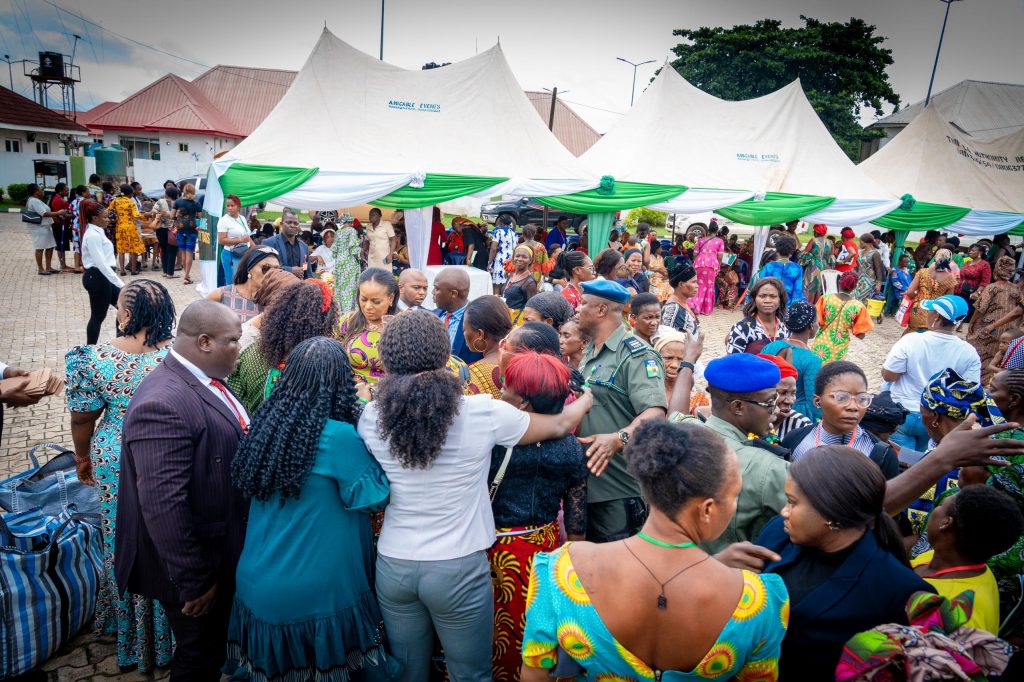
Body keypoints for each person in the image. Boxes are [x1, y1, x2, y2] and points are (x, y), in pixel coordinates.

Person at [356, 311, 592, 682]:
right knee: (471, 674)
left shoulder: (371, 416)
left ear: (389, 357)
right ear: (444, 353)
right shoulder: (481, 412)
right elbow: (560, 424)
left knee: (407, 673)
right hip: (459, 566)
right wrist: (587, 397)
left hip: (394, 564)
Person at [520, 419, 789, 681]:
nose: (733, 507)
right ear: (707, 509)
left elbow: (536, 673)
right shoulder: (759, 601)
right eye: (734, 496)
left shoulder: (561, 570)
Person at [227, 337, 397, 680]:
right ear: (342, 385)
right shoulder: (338, 437)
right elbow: (374, 496)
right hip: (321, 594)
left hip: (258, 584)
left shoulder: (266, 427)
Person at [115, 301, 249, 681]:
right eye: (234, 341)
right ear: (204, 342)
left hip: (216, 550)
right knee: (198, 656)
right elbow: (162, 505)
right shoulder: (163, 403)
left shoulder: (203, 379)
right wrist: (195, 581)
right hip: (193, 566)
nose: (239, 349)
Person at [749, 446, 934, 679]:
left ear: (831, 515)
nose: (784, 512)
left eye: (793, 502)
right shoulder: (779, 532)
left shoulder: (900, 592)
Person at [66, 280, 175, 671]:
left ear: (125, 314)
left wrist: (81, 457)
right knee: (168, 536)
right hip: (168, 454)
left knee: (121, 537)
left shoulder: (94, 359)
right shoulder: (181, 354)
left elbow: (83, 417)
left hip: (117, 456)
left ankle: (132, 631)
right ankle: (171, 630)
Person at [488, 351, 589, 679]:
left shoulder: (494, 443)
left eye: (507, 389)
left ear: (524, 405)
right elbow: (576, 520)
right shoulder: (571, 449)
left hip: (495, 552)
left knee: (492, 631)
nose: (501, 392)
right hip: (544, 554)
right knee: (537, 629)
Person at [669, 353, 790, 552]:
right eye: (769, 402)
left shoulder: (682, 431)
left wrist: (688, 358)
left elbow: (674, 413)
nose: (774, 410)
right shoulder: (770, 470)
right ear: (738, 407)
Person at [576, 280, 667, 542]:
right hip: (588, 485)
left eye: (583, 304)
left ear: (602, 310)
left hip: (618, 489)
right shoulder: (592, 351)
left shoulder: (636, 355)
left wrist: (618, 439)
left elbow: (655, 413)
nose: (577, 309)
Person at [911, 486, 1024, 634]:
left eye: (941, 506)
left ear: (946, 523)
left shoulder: (960, 616)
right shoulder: (937, 557)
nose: (936, 509)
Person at [883, 294, 982, 451]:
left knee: (900, 460)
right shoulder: (969, 352)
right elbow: (969, 390)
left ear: (936, 316)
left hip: (903, 413)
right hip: (936, 420)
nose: (927, 314)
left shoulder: (911, 340)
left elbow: (889, 375)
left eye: (930, 311)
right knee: (922, 460)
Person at [228, 280, 339, 413]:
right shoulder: (324, 363)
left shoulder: (248, 354)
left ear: (277, 313)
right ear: (323, 324)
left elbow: (233, 403)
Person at [782, 361, 900, 478]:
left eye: (862, 398)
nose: (853, 407)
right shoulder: (795, 440)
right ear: (817, 401)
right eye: (842, 397)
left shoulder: (880, 454)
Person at [335, 268, 398, 386]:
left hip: (389, 395)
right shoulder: (348, 321)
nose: (368, 306)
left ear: (391, 298)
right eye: (363, 299)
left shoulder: (403, 326)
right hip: (351, 393)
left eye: (376, 301)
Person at [763, 301, 822, 421]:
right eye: (817, 321)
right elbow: (813, 399)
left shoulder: (771, 346)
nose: (818, 325)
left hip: (767, 409)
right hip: (795, 414)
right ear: (811, 326)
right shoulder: (812, 360)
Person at [78, 200, 125, 344]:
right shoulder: (92, 235)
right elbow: (101, 264)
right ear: (94, 218)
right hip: (98, 277)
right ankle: (90, 350)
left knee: (125, 308)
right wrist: (121, 284)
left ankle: (121, 342)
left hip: (103, 276)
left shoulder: (98, 232)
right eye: (105, 217)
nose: (108, 220)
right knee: (98, 317)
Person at [971, 256, 1024, 380]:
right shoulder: (1016, 289)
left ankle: (979, 379)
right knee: (1000, 353)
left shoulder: (992, 287)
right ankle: (991, 379)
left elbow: (980, 308)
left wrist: (972, 323)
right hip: (1010, 330)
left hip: (989, 327)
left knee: (981, 352)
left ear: (996, 272)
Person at [205, 247, 281, 323]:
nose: (272, 274)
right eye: (266, 268)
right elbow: (199, 322)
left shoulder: (277, 299)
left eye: (277, 270)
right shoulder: (221, 295)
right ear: (249, 268)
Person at [811, 271, 873, 362]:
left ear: (839, 282)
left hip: (821, 345)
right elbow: (861, 336)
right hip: (839, 349)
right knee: (834, 373)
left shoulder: (825, 299)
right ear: (854, 287)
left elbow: (817, 322)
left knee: (816, 371)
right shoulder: (858, 306)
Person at [463, 294, 513, 398]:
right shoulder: (524, 362)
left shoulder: (470, 375)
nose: (464, 334)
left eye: (464, 330)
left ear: (480, 334)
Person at [725, 277, 789, 355]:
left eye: (773, 296)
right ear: (754, 299)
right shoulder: (742, 328)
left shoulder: (786, 329)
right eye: (762, 296)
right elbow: (732, 363)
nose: (767, 300)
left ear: (780, 300)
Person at [433, 267, 482, 363]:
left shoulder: (479, 322)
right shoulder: (433, 315)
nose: (432, 292)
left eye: (437, 288)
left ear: (453, 294)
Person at [757, 353, 811, 440]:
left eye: (793, 393)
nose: (790, 401)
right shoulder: (747, 423)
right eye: (782, 393)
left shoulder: (801, 424)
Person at [903, 248, 958, 333]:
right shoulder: (951, 279)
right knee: (928, 336)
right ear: (949, 261)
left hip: (918, 308)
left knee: (912, 332)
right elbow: (948, 301)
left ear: (935, 258)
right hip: (935, 312)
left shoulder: (923, 272)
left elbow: (910, 292)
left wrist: (917, 297)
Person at [752, 235, 805, 305]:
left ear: (777, 251)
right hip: (788, 305)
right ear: (791, 253)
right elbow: (797, 291)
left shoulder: (769, 266)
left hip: (770, 304)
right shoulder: (797, 268)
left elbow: (760, 286)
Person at [262, 210, 313, 280]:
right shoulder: (269, 243)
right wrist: (290, 270)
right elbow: (265, 268)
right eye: (289, 222)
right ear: (281, 224)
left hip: (299, 288)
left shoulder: (304, 247)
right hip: (278, 288)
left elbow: (307, 272)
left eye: (295, 223)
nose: (292, 225)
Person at [108, 183, 145, 276]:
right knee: (133, 249)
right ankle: (133, 270)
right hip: (131, 227)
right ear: (129, 194)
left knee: (121, 250)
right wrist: (146, 216)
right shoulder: (130, 202)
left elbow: (108, 211)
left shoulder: (115, 201)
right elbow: (136, 215)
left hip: (120, 227)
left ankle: (122, 271)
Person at [25, 183, 63, 275]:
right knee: (40, 248)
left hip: (45, 228)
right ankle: (41, 269)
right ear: (35, 191)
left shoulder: (37, 200)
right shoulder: (34, 201)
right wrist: (58, 213)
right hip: (39, 228)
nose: (42, 191)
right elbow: (44, 213)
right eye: (40, 190)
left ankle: (48, 267)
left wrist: (55, 216)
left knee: (50, 246)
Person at [217, 194, 253, 285]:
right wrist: (240, 240)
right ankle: (230, 299)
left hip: (244, 253)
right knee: (232, 282)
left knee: (243, 281)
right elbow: (221, 240)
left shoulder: (242, 218)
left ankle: (240, 298)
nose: (230, 208)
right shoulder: (224, 220)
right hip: (231, 255)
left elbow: (247, 236)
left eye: (232, 205)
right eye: (228, 206)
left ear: (238, 206)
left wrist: (256, 248)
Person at [171, 183, 203, 284]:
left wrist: (179, 219)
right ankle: (186, 276)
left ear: (183, 191)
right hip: (192, 231)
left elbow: (172, 216)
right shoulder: (196, 203)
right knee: (189, 253)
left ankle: (186, 275)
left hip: (180, 230)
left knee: (183, 252)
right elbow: (200, 218)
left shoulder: (178, 202)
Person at [329, 218, 362, 312]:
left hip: (339, 262)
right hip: (349, 262)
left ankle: (340, 311)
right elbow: (354, 249)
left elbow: (334, 251)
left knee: (339, 288)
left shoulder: (338, 232)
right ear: (350, 222)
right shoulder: (352, 231)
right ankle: (349, 313)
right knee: (350, 288)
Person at [659, 261, 700, 336]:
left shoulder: (683, 304)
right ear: (681, 284)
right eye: (693, 282)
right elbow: (670, 341)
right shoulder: (673, 309)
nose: (697, 286)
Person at [691, 222, 725, 314]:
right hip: (711, 265)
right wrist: (718, 267)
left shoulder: (701, 240)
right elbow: (720, 257)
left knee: (698, 285)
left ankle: (695, 307)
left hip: (699, 265)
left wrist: (697, 261)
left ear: (708, 230)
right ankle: (706, 309)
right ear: (717, 230)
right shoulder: (720, 241)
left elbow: (694, 254)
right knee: (709, 287)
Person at [504, 244, 539, 324]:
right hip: (506, 317)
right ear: (513, 258)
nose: (520, 259)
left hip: (517, 322)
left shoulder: (529, 282)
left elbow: (532, 307)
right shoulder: (511, 275)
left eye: (524, 257)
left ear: (530, 260)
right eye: (517, 256)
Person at [800, 223, 834, 303]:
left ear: (816, 232)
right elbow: (832, 259)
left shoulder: (813, 240)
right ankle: (817, 307)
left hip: (813, 266)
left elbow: (805, 255)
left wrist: (803, 258)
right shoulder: (830, 242)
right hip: (825, 268)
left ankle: (807, 306)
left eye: (814, 231)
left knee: (810, 286)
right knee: (820, 288)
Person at [958, 243, 992, 317]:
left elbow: (985, 282)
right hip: (960, 291)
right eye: (970, 250)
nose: (970, 252)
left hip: (971, 294)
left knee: (966, 313)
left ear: (980, 252)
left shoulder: (984, 264)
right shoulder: (967, 263)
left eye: (973, 250)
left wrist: (977, 292)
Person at [153, 186, 179, 279]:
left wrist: (162, 214)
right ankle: (170, 273)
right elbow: (179, 215)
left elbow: (154, 211)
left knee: (164, 249)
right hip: (173, 230)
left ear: (166, 194)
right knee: (172, 250)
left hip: (160, 228)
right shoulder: (178, 203)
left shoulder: (160, 201)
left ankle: (165, 271)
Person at [490, 214, 520, 294]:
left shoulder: (498, 232)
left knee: (497, 285)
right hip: (512, 260)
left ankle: (497, 305)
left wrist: (490, 262)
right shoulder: (515, 234)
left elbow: (493, 248)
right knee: (508, 284)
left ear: (501, 223)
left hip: (501, 259)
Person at [853, 232, 887, 302]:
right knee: (855, 299)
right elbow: (857, 266)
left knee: (865, 301)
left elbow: (878, 270)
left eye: (861, 242)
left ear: (866, 243)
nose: (859, 244)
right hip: (859, 280)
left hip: (870, 282)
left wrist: (879, 284)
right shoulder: (861, 252)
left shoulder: (875, 253)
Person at [49, 182, 74, 272]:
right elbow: (61, 215)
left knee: (62, 245)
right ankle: (63, 266)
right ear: (60, 191)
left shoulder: (60, 198)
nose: (68, 191)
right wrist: (73, 215)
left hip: (62, 225)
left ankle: (64, 265)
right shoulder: (57, 200)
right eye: (66, 190)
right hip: (59, 225)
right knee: (61, 245)